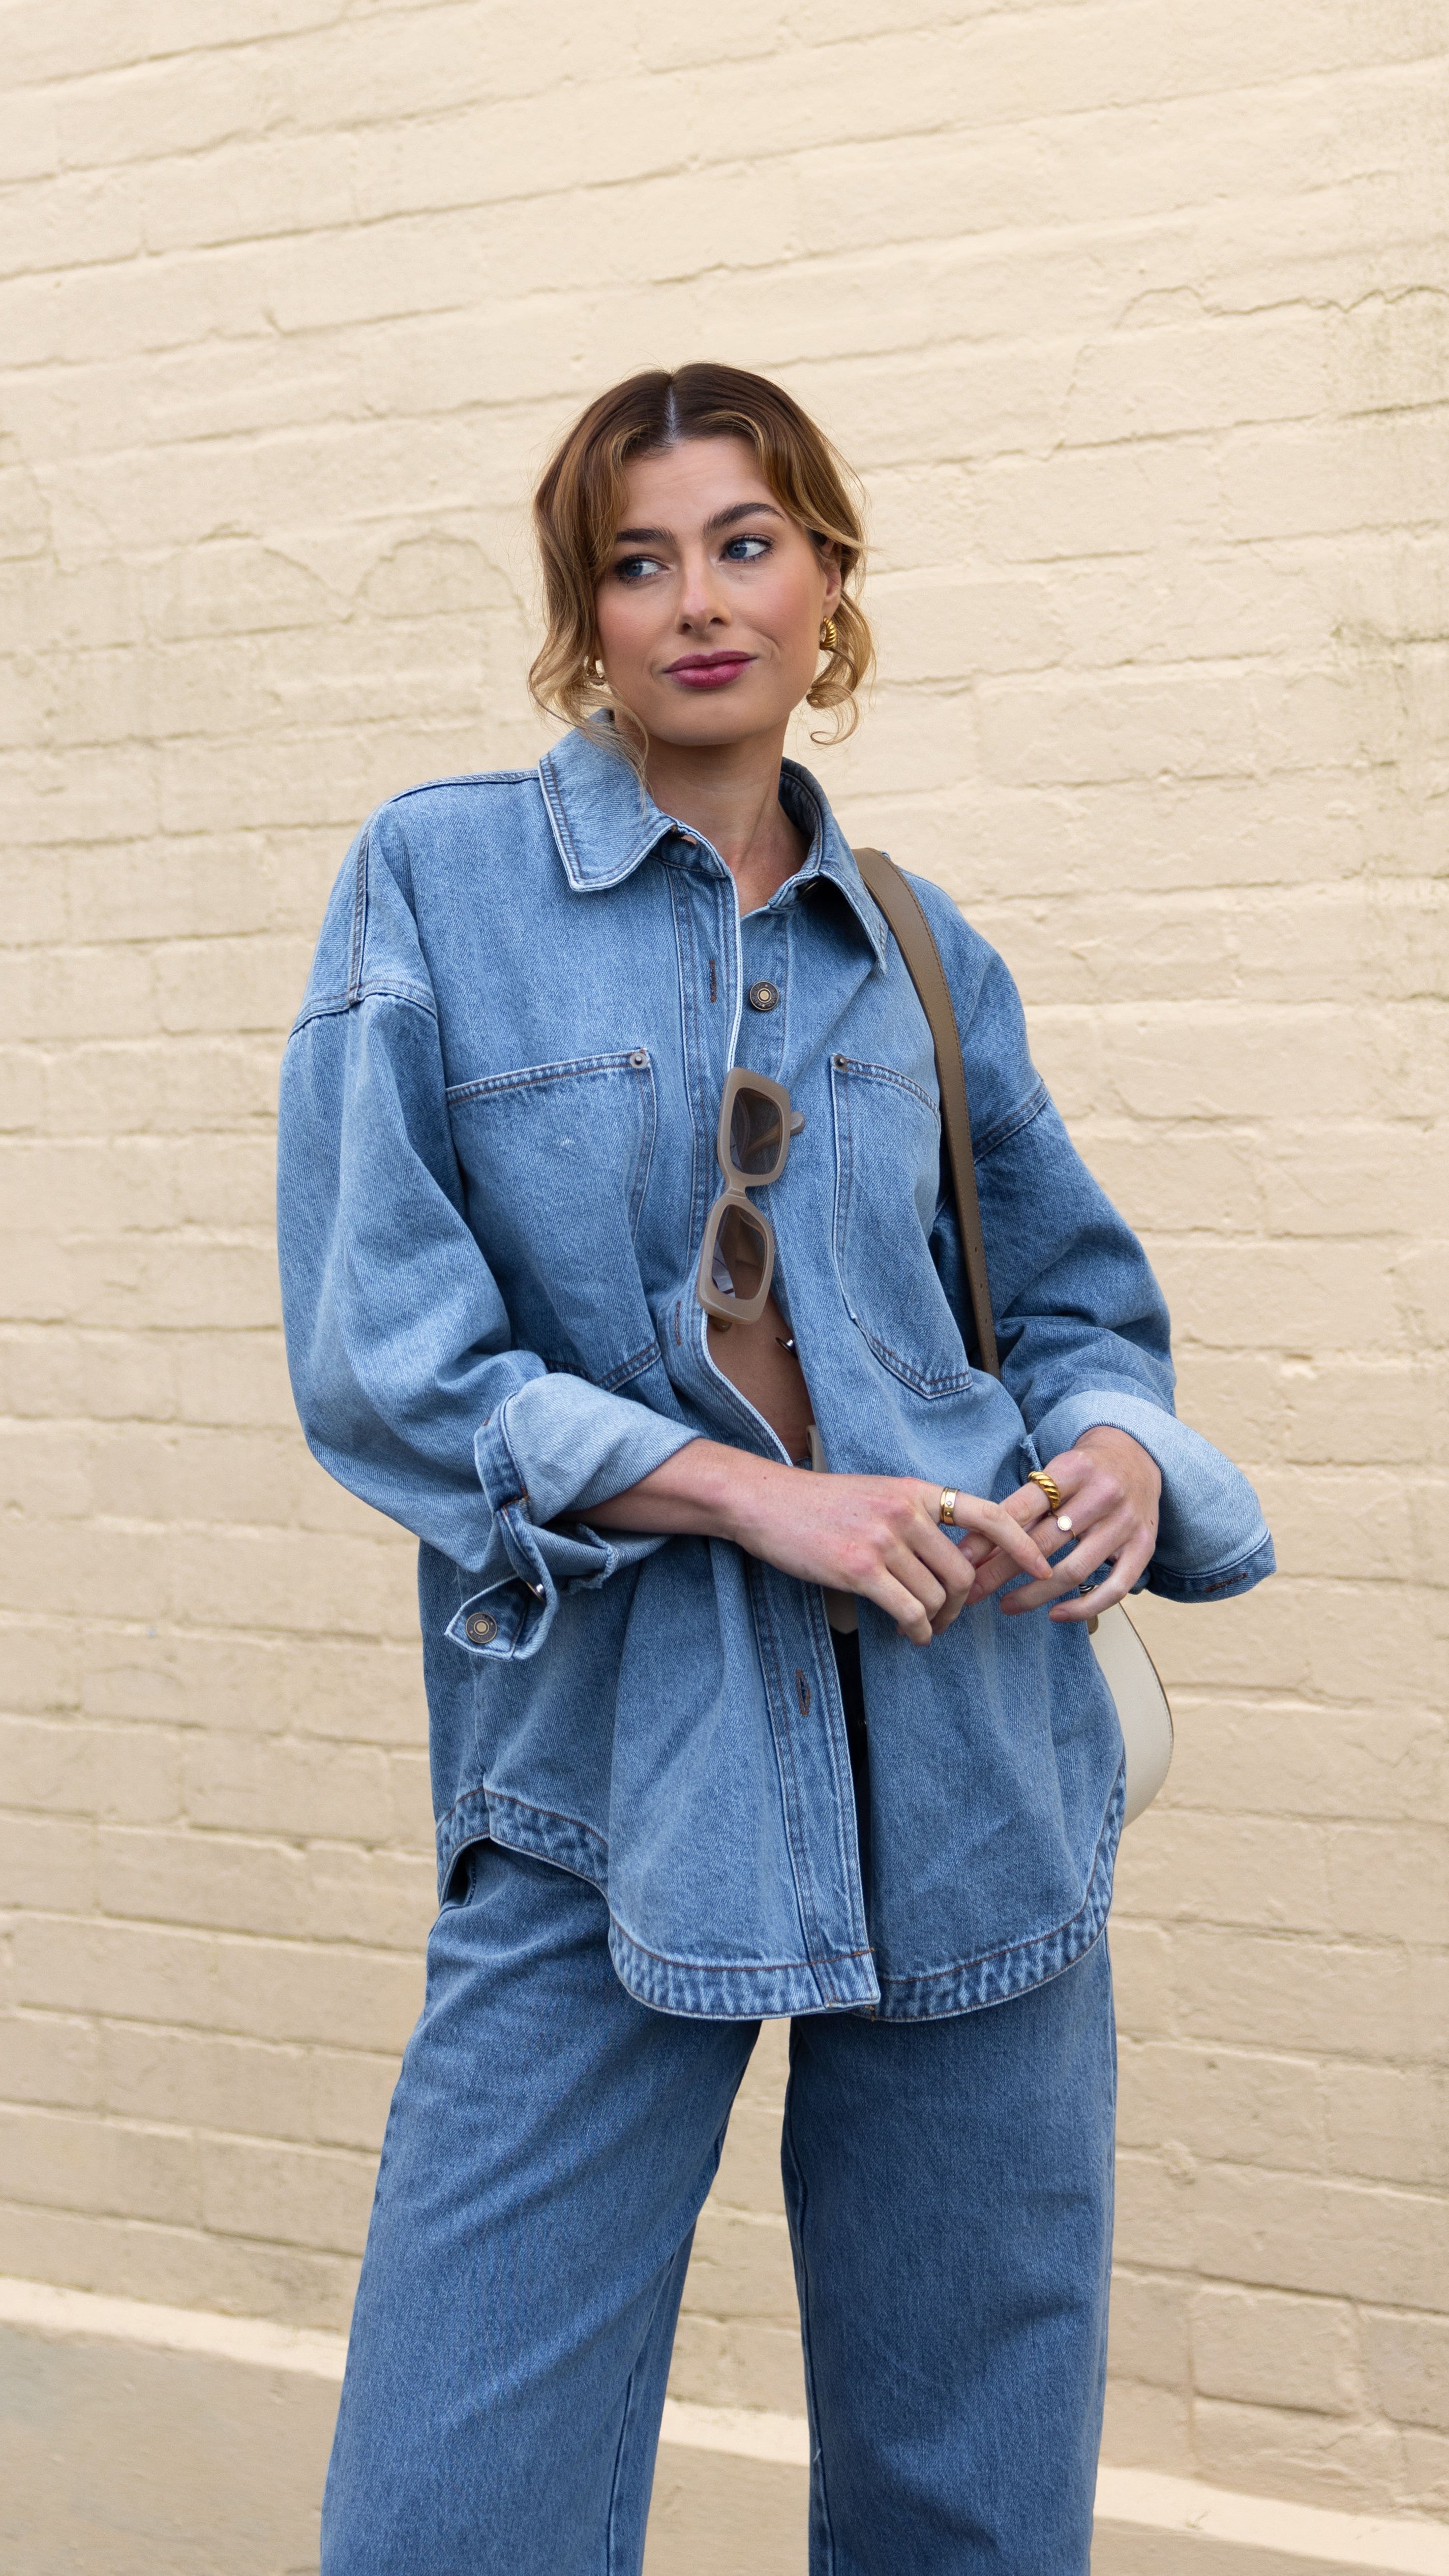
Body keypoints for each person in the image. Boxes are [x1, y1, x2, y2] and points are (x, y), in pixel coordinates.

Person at [277, 362, 1273, 2575]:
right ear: (585, 615)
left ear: (826, 580)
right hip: (601, 1769)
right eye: (638, 563)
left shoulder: (919, 950)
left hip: (970, 1753)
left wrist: (1116, 1446)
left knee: (968, 2489)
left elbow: (1075, 1302)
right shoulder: (438, 882)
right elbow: (384, 1359)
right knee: (458, 2493)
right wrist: (751, 1493)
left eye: (745, 545)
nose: (699, 602)